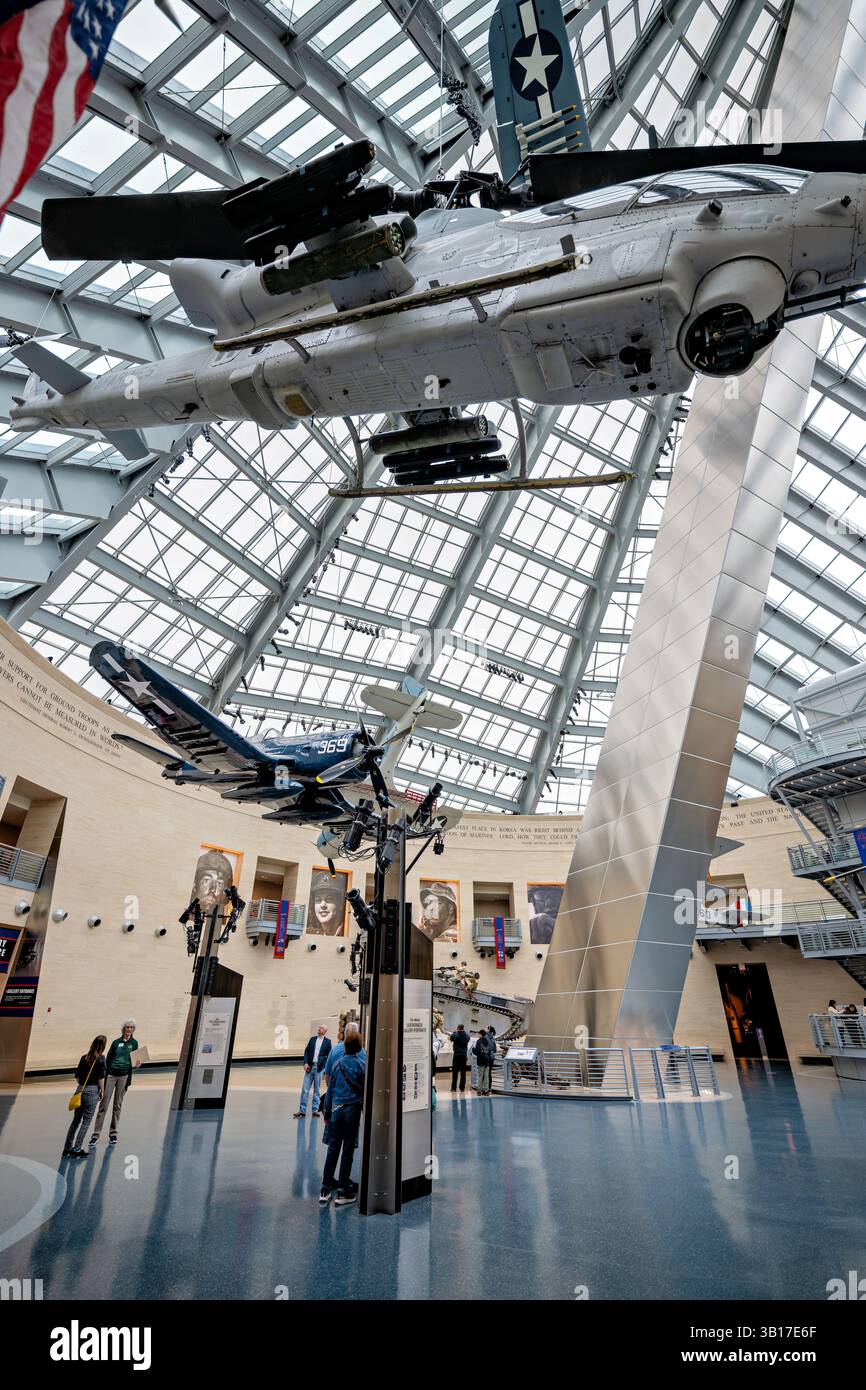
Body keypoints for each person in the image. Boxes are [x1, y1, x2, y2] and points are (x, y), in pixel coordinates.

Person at [319, 1032, 365, 1207]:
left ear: (344, 1046)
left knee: (333, 1148)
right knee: (347, 1150)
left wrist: (327, 1113)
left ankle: (325, 1187)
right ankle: (343, 1190)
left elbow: (329, 1091)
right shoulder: (362, 1065)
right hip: (351, 1110)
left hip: (336, 1110)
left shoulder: (338, 1065)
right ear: (359, 1047)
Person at [90, 1019, 140, 1146]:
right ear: (123, 1029)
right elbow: (108, 1059)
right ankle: (96, 1134)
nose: (129, 1029)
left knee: (117, 1105)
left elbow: (134, 1062)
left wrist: (137, 1065)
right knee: (104, 1105)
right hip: (111, 1076)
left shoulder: (134, 1043)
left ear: (133, 1030)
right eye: (127, 1027)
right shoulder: (116, 1043)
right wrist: (106, 1074)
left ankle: (113, 1133)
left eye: (131, 1027)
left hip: (124, 1076)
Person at [63, 1035, 106, 1158]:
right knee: (86, 1122)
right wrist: (102, 1091)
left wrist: (82, 1086)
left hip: (80, 1089)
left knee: (75, 1121)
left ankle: (67, 1148)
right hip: (92, 1091)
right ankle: (77, 1149)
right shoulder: (101, 1059)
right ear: (103, 1046)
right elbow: (101, 1079)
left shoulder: (84, 1058)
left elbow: (77, 1077)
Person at [294, 1024, 331, 1118]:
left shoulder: (327, 1042)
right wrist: (305, 1063)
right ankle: (302, 1111)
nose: (319, 1029)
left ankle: (315, 1110)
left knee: (317, 1090)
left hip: (319, 1069)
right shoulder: (312, 1039)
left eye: (321, 1028)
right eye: (319, 1027)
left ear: (325, 1031)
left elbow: (329, 1056)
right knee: (305, 1089)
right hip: (310, 1067)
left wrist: (324, 1067)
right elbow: (306, 1052)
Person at [450, 1023, 469, 1092]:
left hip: (457, 1055)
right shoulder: (467, 1035)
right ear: (463, 1028)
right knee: (463, 1073)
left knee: (455, 1072)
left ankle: (453, 1088)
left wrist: (455, 1032)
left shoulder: (456, 1034)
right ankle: (462, 1088)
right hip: (464, 1056)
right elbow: (468, 1039)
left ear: (458, 1028)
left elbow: (451, 1038)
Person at [475, 1029, 494, 1095]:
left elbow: (477, 1051)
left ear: (481, 1034)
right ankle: (486, 1090)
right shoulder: (487, 1041)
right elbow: (489, 1051)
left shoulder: (478, 1041)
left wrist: (473, 1050)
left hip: (481, 1060)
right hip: (487, 1060)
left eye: (479, 1034)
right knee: (486, 1076)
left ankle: (479, 1090)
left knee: (480, 1076)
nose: (478, 1035)